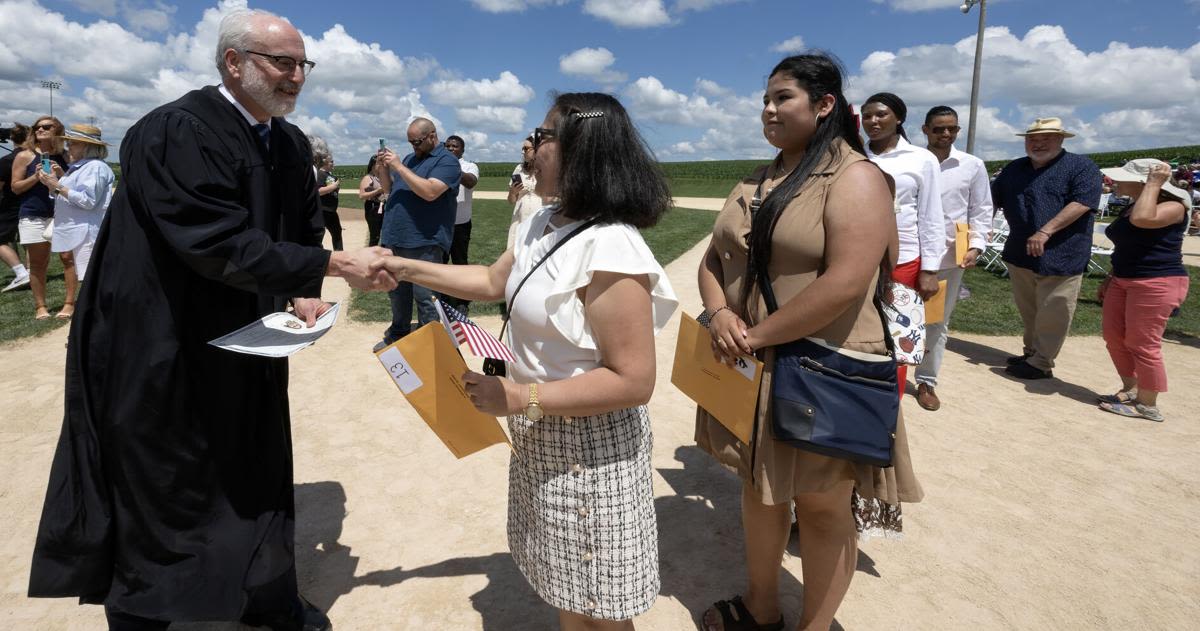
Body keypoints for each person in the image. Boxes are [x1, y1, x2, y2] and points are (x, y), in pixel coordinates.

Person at [27, 9, 395, 630]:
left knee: (255, 460)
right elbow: (210, 240)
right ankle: (154, 614)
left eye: (303, 64)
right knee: (165, 479)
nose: (297, 77)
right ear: (234, 61)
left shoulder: (287, 142)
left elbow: (299, 221)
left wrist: (305, 285)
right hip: (159, 340)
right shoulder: (175, 130)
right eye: (284, 63)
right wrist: (332, 264)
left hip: (246, 338)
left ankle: (264, 601)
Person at [373, 92, 677, 630]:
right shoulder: (543, 222)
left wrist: (519, 396)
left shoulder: (611, 247)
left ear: (582, 150)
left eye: (542, 137)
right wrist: (401, 266)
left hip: (591, 453)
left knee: (601, 607)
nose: (530, 148)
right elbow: (492, 281)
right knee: (565, 587)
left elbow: (634, 381)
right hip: (541, 437)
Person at [695, 54, 922, 631]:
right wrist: (720, 311)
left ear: (824, 106)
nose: (768, 109)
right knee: (759, 488)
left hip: (820, 365)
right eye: (765, 99)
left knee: (822, 506)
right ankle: (760, 609)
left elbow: (846, 283)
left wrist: (754, 337)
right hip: (751, 360)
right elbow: (713, 258)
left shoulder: (856, 178)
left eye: (783, 97)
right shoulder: (756, 177)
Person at [991, 118, 1101, 380]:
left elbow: (1083, 202)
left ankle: (1041, 363)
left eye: (1047, 138)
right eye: (1033, 139)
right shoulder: (1014, 169)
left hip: (1062, 252)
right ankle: (1032, 352)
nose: (1038, 144)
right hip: (1020, 251)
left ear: (1061, 140)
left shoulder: (1081, 167)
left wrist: (1045, 231)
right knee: (1029, 309)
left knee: (1054, 310)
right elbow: (992, 198)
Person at [861, 92, 946, 394]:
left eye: (881, 114)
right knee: (859, 329)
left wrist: (931, 268)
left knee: (898, 333)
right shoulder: (854, 154)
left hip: (903, 259)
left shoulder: (921, 159)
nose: (873, 121)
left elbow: (932, 215)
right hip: (855, 257)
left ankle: (890, 401)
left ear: (899, 118)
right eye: (867, 115)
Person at [1096, 159, 1191, 422]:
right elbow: (1127, 245)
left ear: (1145, 182)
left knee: (1143, 343)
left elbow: (1143, 220)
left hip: (1157, 282)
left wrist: (1153, 183)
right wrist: (1110, 277)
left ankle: (1148, 404)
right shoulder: (1132, 205)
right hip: (1123, 278)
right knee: (1114, 337)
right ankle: (1131, 388)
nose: (1115, 182)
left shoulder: (1174, 207)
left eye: (1122, 178)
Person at [913, 106, 993, 411]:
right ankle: (890, 374)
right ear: (925, 130)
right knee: (896, 316)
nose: (945, 134)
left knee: (935, 321)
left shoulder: (972, 165)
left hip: (948, 256)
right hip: (910, 253)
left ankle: (926, 381)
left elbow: (982, 209)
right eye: (938, 129)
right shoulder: (915, 161)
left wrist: (976, 245)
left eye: (952, 129)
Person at [373, 117, 461, 351]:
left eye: (418, 142)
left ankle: (430, 344)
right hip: (395, 238)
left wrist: (400, 166)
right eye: (410, 142)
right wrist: (384, 168)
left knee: (426, 297)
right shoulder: (412, 158)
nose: (414, 147)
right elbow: (389, 189)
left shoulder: (448, 162)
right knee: (396, 291)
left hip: (424, 241)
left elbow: (430, 192)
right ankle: (398, 334)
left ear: (432, 136)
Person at [10, 115, 74, 319]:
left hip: (61, 213)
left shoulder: (66, 155)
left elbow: (75, 186)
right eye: (37, 127)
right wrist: (35, 177)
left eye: (46, 127)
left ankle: (69, 303)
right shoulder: (24, 156)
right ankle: (41, 307)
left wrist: (62, 174)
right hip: (33, 214)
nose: (40, 129)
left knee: (67, 258)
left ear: (57, 130)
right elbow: (15, 188)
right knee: (38, 263)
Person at [34, 123, 115, 283]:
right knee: (89, 280)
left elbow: (88, 201)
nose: (68, 146)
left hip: (88, 233)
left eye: (73, 142)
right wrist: (52, 184)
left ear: (88, 146)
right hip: (80, 231)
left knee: (92, 281)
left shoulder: (95, 167)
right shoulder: (80, 167)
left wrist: (57, 185)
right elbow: (64, 196)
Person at [442, 133, 479, 313]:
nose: (450, 149)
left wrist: (453, 167)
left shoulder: (469, 166)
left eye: (454, 146)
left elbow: (471, 182)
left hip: (461, 223)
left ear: (462, 150)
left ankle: (462, 300)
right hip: (440, 223)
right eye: (447, 146)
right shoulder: (438, 166)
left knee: (460, 262)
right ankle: (442, 298)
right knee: (439, 263)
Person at [0, 123, 31, 292]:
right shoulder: (35, 157)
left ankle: (21, 272)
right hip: (30, 204)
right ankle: (31, 272)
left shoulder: (6, 161)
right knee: (28, 239)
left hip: (9, 206)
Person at [507, 134, 542, 249]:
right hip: (520, 220)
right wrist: (513, 192)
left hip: (540, 220)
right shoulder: (519, 169)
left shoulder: (547, 169)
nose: (523, 152)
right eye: (522, 149)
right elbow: (511, 201)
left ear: (537, 149)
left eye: (526, 149)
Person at [311, 138, 343, 251]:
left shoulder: (330, 175)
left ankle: (339, 255)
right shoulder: (320, 174)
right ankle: (316, 254)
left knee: (337, 233)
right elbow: (318, 191)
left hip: (331, 210)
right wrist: (333, 186)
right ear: (325, 163)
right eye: (331, 162)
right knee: (319, 235)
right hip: (323, 210)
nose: (333, 163)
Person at [358, 154, 387, 247]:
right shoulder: (368, 178)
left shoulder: (381, 177)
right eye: (379, 163)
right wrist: (378, 191)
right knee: (375, 236)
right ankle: (370, 256)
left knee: (384, 235)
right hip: (373, 208)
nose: (382, 165)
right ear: (373, 165)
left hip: (383, 207)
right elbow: (362, 196)